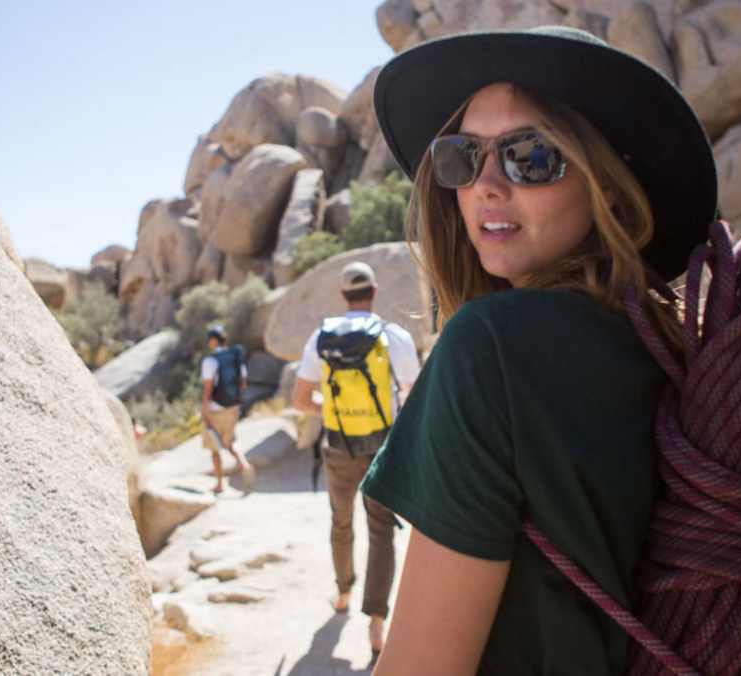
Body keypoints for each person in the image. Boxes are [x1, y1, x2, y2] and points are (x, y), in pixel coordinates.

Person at [360, 26, 718, 674]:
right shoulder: (662, 340)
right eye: (462, 157)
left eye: (530, 156)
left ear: (604, 183)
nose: (486, 185)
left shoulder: (488, 347)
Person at [291, 261, 421, 659]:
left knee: (341, 522)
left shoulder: (322, 338)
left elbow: (299, 399)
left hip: (338, 447)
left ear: (343, 294)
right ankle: (377, 624)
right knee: (382, 531)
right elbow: (413, 394)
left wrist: (332, 411)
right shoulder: (391, 337)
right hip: (383, 447)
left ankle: (343, 593)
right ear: (374, 291)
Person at [200, 324, 253, 494]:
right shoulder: (236, 357)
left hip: (216, 408)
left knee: (214, 447)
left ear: (214, 341)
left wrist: (204, 411)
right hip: (234, 407)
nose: (209, 343)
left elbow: (207, 389)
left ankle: (219, 484)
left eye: (209, 340)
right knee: (229, 442)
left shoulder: (210, 361)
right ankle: (244, 465)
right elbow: (243, 383)